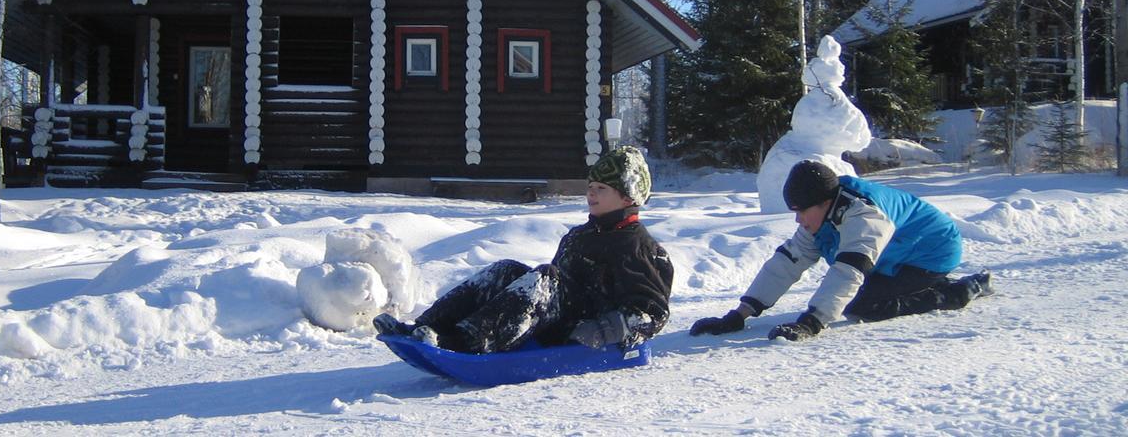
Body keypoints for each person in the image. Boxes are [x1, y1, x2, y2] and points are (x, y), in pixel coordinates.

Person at [374, 146, 674, 354]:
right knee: (506, 269)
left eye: (602, 189)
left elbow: (652, 311)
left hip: (583, 328)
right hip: (559, 315)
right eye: (590, 186)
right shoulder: (581, 235)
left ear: (627, 198)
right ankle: (426, 326)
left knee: (545, 278)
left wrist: (603, 330)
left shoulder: (635, 244)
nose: (590, 193)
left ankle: (466, 341)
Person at [690, 160, 991, 342]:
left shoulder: (864, 216)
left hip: (931, 252)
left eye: (801, 211)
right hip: (896, 254)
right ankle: (935, 287)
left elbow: (849, 271)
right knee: (860, 296)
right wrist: (739, 315)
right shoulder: (822, 213)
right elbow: (788, 262)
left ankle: (955, 292)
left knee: (862, 305)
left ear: (823, 203)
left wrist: (812, 322)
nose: (798, 220)